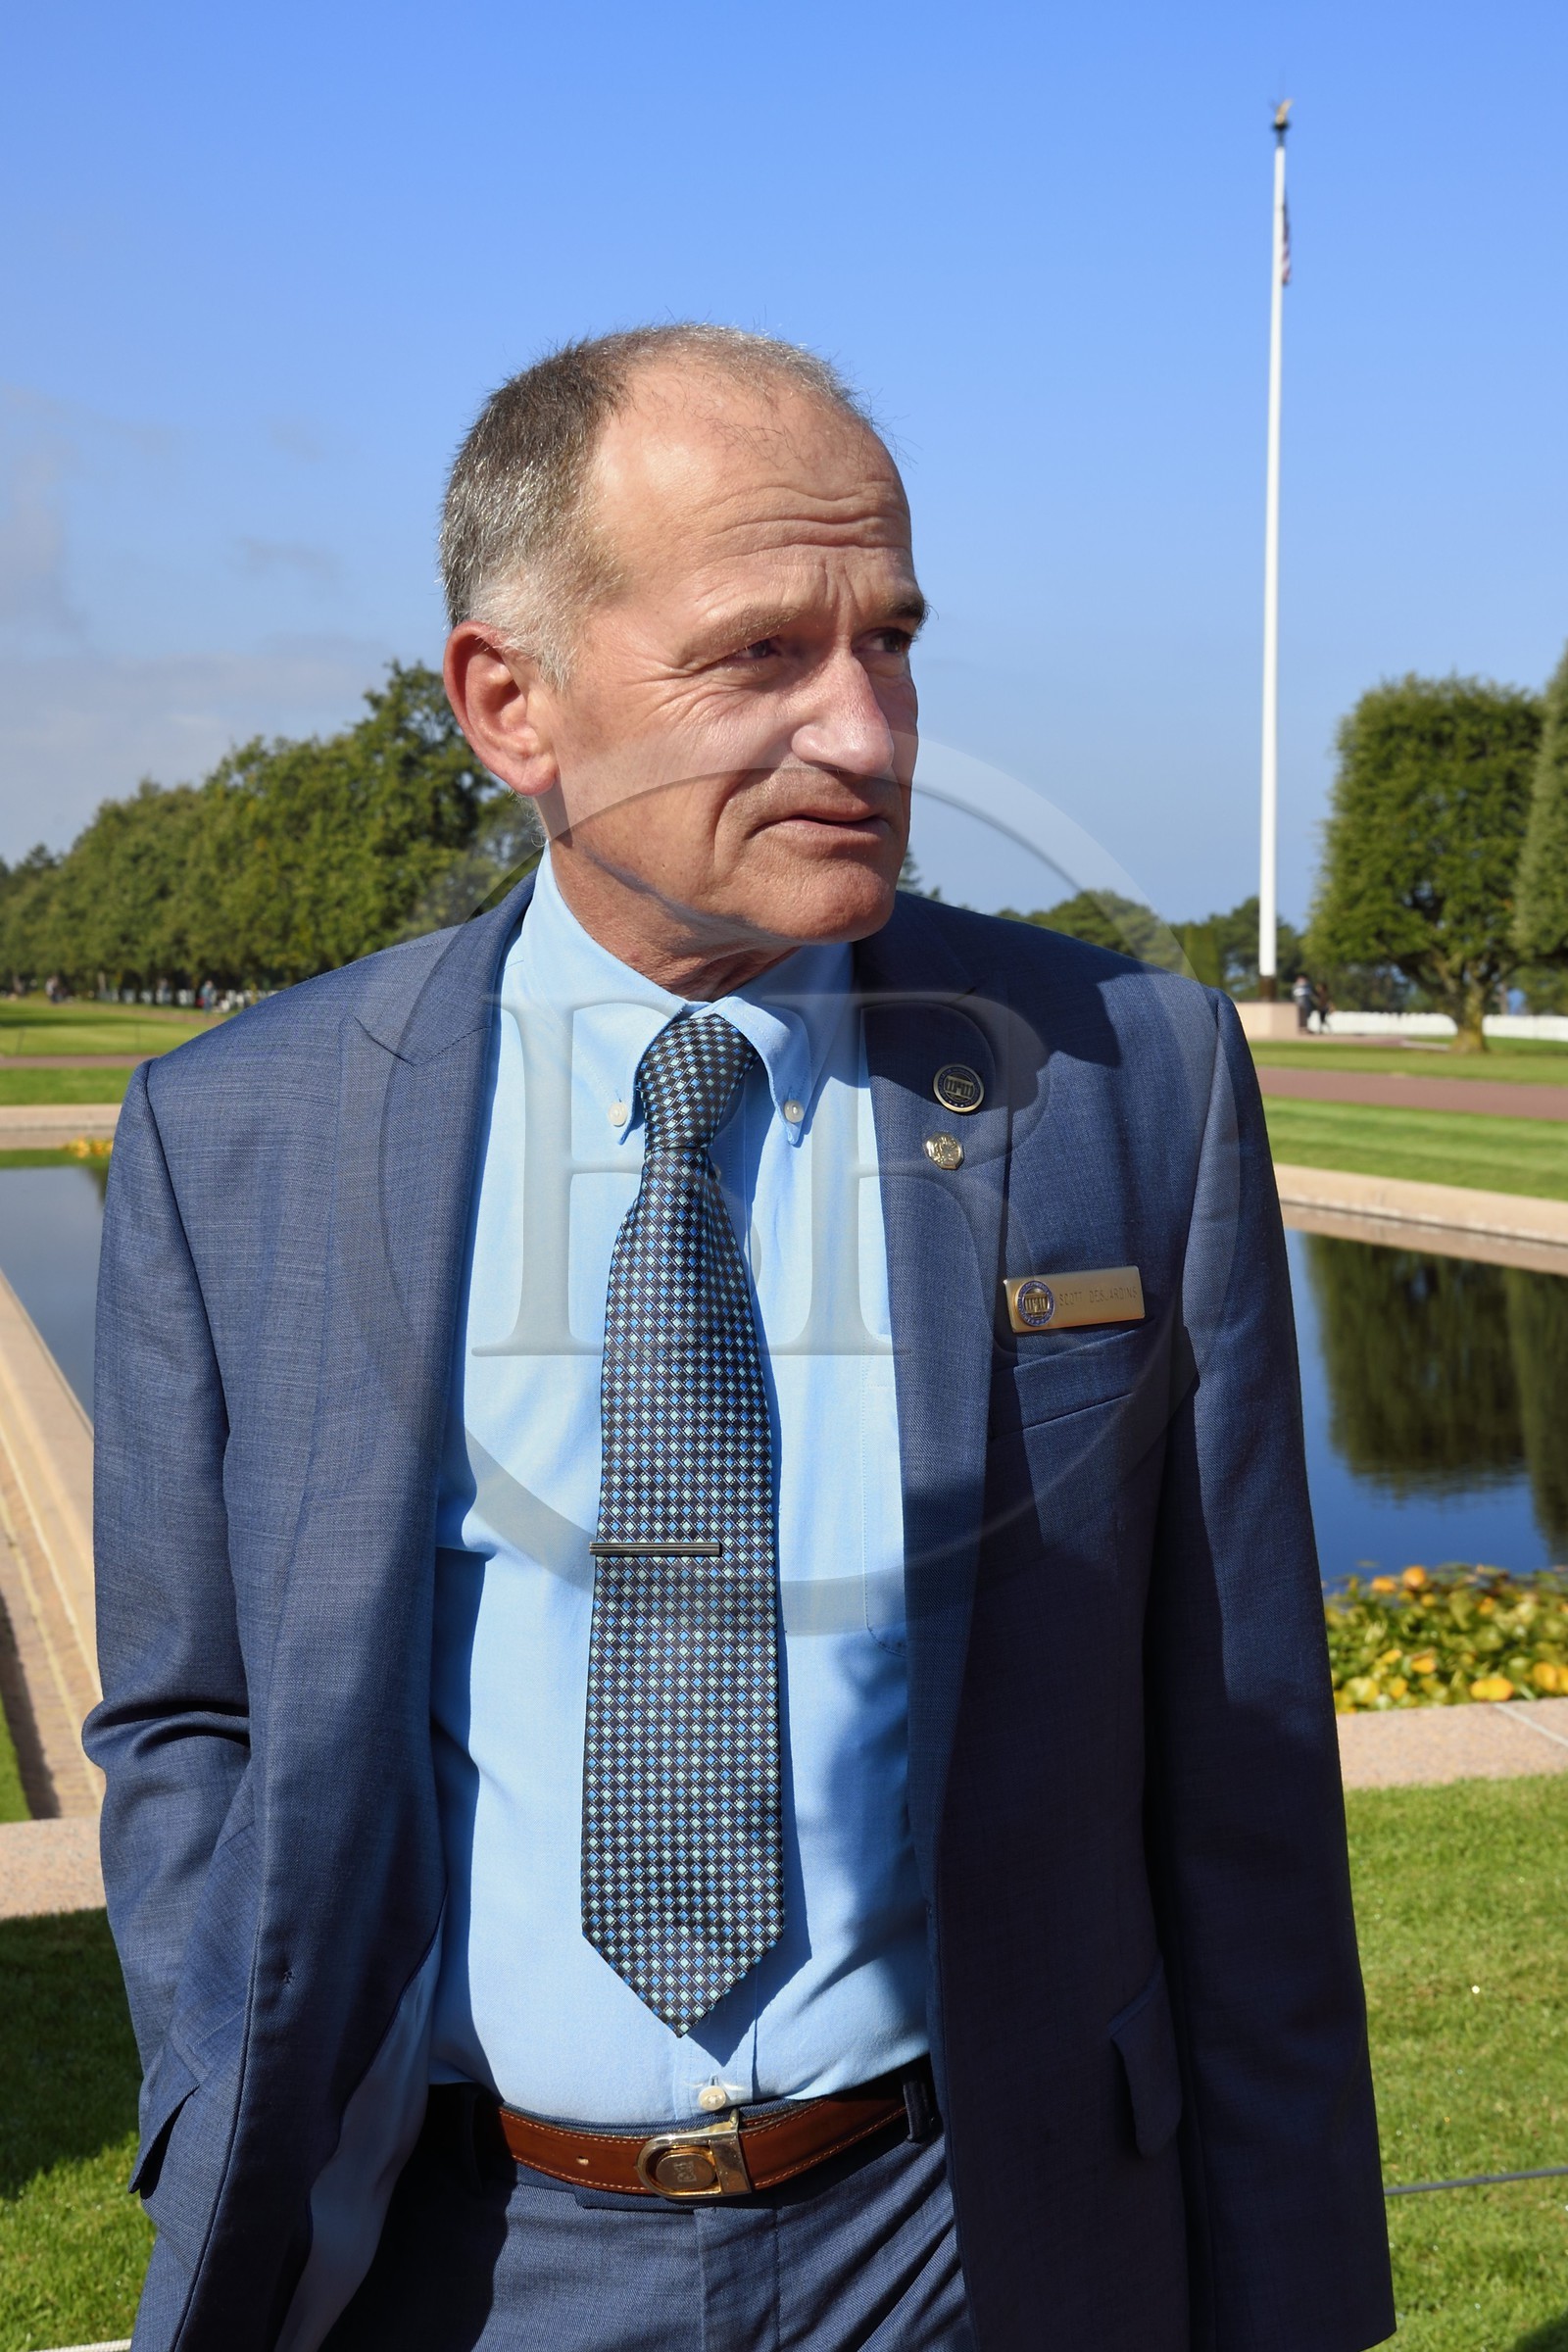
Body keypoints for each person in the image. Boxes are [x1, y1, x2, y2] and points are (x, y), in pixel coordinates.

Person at [89, 326, 1393, 2352]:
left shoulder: (1121, 1082)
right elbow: (188, 1717)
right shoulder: (234, 1133)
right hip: (462, 2259)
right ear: (509, 705)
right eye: (760, 657)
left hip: (976, 2244)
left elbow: (1234, 1762)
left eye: (887, 640)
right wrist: (219, 2074)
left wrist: (1294, 2295)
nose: (867, 733)